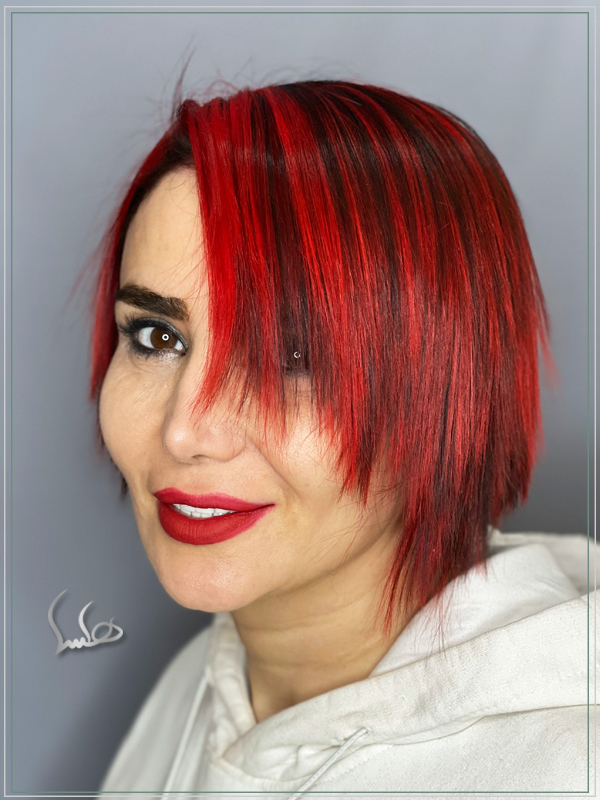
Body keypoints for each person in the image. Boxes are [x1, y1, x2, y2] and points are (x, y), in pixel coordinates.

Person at [89, 79, 596, 796]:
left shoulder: (566, 769)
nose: (185, 431)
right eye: (156, 336)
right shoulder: (191, 691)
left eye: (292, 355)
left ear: (446, 383)